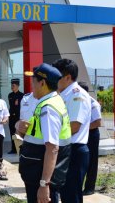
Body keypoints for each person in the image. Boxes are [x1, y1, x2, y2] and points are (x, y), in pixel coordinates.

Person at [16, 63, 72, 203]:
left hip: (40, 176)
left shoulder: (48, 109)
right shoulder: (51, 101)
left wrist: (44, 184)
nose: (31, 85)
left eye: (33, 82)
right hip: (37, 173)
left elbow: (52, 149)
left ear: (42, 83)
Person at [52, 59, 92, 203]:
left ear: (67, 77)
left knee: (71, 195)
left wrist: (50, 137)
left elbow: (74, 127)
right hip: (65, 149)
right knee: (65, 193)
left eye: (57, 76)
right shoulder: (63, 94)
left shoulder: (77, 95)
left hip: (74, 150)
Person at [78, 82, 102, 196]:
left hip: (92, 134)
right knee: (82, 161)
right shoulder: (79, 102)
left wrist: (83, 127)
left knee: (92, 162)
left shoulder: (93, 103)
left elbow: (97, 122)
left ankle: (89, 188)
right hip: (83, 134)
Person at [8, 78, 24, 154]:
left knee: (18, 134)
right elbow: (12, 106)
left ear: (17, 86)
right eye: (11, 85)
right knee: (12, 133)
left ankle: (20, 149)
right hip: (11, 118)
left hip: (18, 117)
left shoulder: (22, 95)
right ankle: (13, 149)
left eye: (13, 85)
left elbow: (19, 107)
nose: (12, 86)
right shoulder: (10, 95)